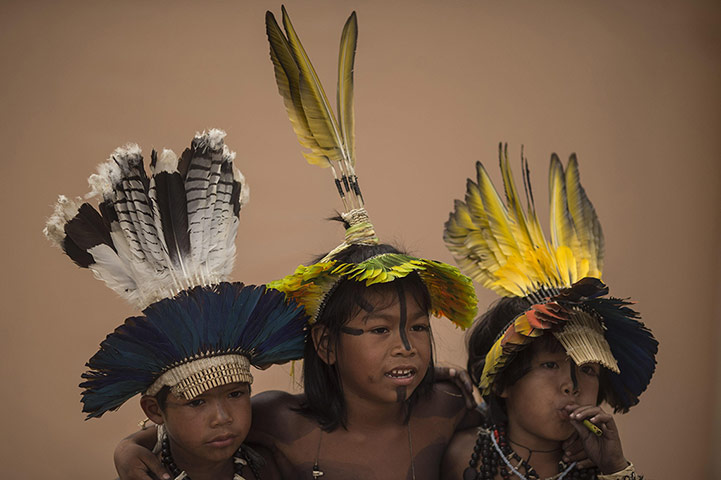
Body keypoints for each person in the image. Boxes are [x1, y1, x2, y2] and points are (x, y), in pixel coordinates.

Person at [113, 8, 481, 479]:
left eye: (420, 328)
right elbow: (190, 428)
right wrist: (128, 447)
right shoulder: (277, 421)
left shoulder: (448, 407)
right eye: (379, 329)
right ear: (325, 343)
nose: (406, 346)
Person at [45, 130, 308, 480]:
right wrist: (127, 447)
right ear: (154, 410)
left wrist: (127, 446)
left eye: (235, 393)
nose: (223, 418)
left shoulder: (274, 459)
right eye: (197, 401)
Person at [440, 146, 658, 479]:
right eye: (550, 364)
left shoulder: (600, 465)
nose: (571, 386)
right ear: (502, 382)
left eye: (587, 369)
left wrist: (615, 467)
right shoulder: (465, 457)